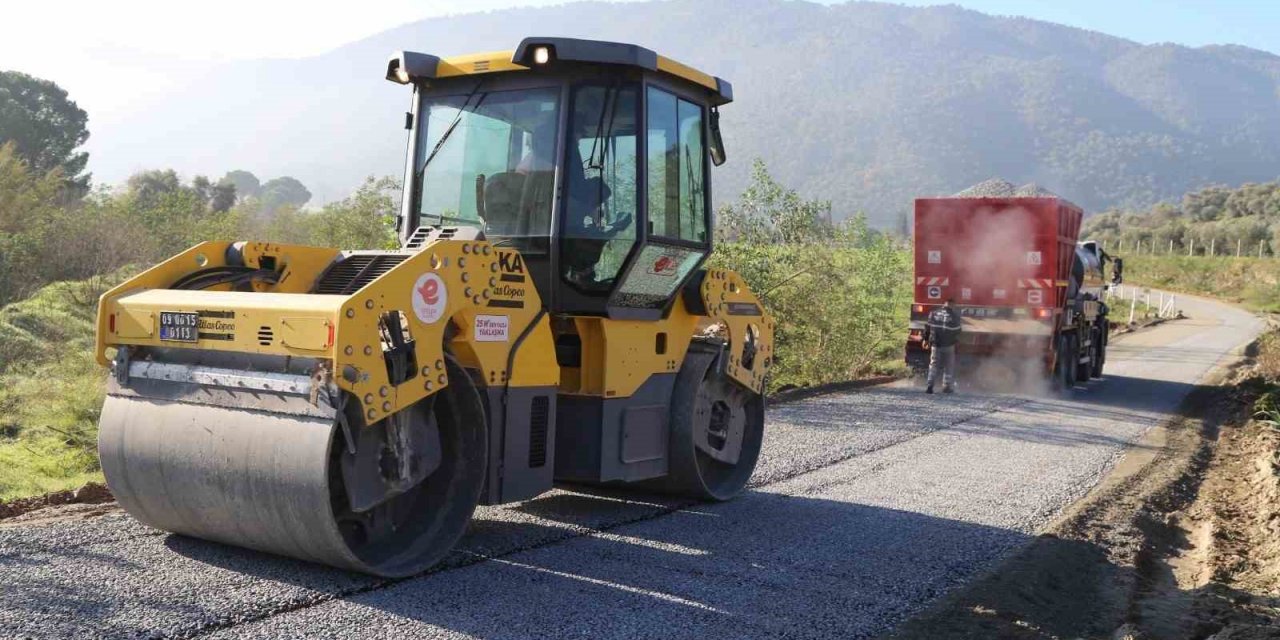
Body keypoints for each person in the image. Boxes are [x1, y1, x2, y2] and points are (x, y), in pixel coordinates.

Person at [923, 298, 962, 394]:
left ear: (944, 304)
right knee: (948, 365)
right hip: (949, 345)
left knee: (933, 364)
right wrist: (955, 340)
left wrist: (925, 339)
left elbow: (927, 327)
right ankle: (946, 387)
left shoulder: (934, 313)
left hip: (936, 344)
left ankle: (930, 386)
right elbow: (958, 331)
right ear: (952, 305)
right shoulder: (955, 316)